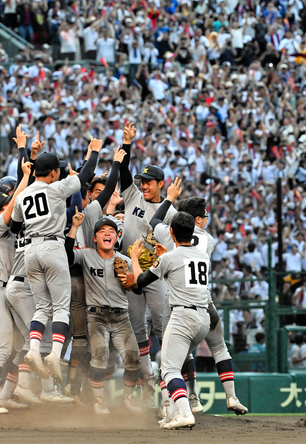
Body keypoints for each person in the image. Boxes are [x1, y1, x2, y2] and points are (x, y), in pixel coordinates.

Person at [150, 179, 247, 417]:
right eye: (203, 216)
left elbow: (154, 222)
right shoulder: (209, 240)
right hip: (205, 302)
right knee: (220, 348)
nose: (206, 220)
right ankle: (231, 396)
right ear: (196, 219)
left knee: (171, 356)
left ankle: (173, 403)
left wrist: (169, 199)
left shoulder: (168, 233)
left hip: (177, 303)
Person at [10, 136, 99, 385]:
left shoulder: (22, 195)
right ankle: (54, 354)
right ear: (52, 173)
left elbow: (15, 227)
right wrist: (94, 152)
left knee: (42, 308)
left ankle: (33, 350)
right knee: (60, 308)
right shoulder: (55, 188)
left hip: (30, 250)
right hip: (52, 246)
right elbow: (85, 176)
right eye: (57, 170)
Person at [128, 212, 211, 430]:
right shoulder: (203, 256)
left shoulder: (169, 258)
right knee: (175, 363)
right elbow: (178, 272)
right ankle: (173, 414)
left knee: (169, 369)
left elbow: (139, 281)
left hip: (183, 317)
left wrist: (135, 258)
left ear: (171, 232)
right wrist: (164, 258)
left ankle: (184, 413)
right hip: (203, 320)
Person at [119, 122, 177, 408]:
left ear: (160, 184)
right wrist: (127, 144)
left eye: (149, 181)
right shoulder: (132, 196)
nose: (143, 184)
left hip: (155, 275)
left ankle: (174, 387)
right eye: (142, 180)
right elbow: (123, 172)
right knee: (137, 329)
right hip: (129, 272)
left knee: (164, 329)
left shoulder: (170, 211)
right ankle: (148, 383)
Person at [65, 214, 141, 415]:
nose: (107, 234)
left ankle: (127, 398)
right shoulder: (87, 255)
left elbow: (139, 288)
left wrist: (132, 281)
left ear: (117, 238)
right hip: (96, 317)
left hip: (121, 317)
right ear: (96, 238)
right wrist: (74, 227)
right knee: (99, 356)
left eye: (112, 232)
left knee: (134, 359)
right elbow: (67, 255)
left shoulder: (124, 260)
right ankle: (99, 400)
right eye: (102, 231)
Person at [0, 153, 32, 414]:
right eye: (7, 207)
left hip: (6, 291)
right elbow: (16, 204)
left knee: (24, 344)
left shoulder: (12, 230)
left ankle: (5, 394)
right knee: (2, 347)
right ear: (0, 210)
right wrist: (24, 175)